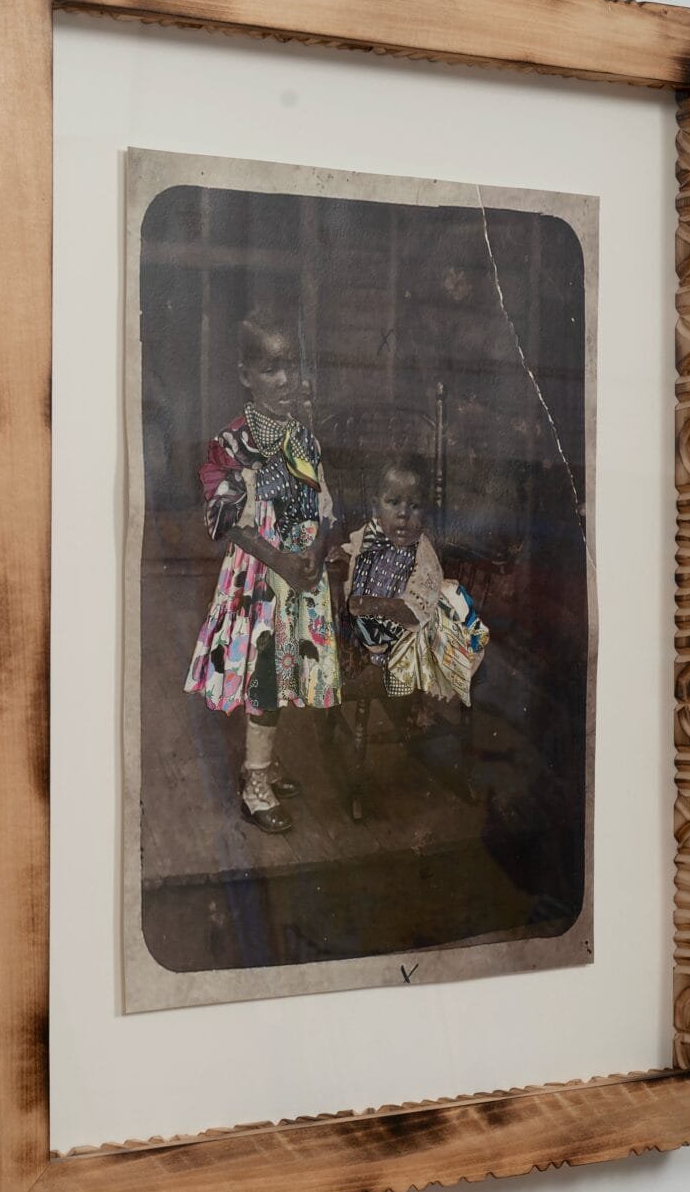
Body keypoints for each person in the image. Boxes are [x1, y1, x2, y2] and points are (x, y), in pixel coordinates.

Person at [185, 313, 341, 833]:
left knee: (285, 671)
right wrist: (282, 563)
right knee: (265, 676)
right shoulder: (231, 444)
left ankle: (265, 761)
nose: (285, 378)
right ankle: (254, 783)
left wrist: (315, 550)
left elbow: (323, 505)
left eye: (292, 365)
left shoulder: (304, 439)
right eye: (271, 368)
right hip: (260, 580)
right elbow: (228, 522)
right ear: (246, 374)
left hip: (299, 576)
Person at [340, 453, 489, 705]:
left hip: (411, 628)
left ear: (426, 512)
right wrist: (342, 554)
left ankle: (402, 673)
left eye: (415, 506)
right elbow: (354, 549)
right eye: (393, 502)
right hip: (369, 623)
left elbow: (416, 613)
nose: (403, 514)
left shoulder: (422, 554)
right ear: (376, 506)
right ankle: (369, 653)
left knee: (417, 638)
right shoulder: (371, 533)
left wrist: (376, 605)